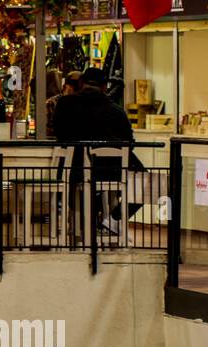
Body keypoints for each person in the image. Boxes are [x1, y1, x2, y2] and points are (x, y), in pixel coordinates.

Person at [52, 66, 143, 230]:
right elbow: (129, 143)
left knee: (84, 191)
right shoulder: (116, 111)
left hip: (72, 170)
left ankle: (83, 226)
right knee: (146, 183)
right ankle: (113, 220)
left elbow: (59, 133)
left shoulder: (65, 104)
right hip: (111, 171)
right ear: (104, 87)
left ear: (81, 83)